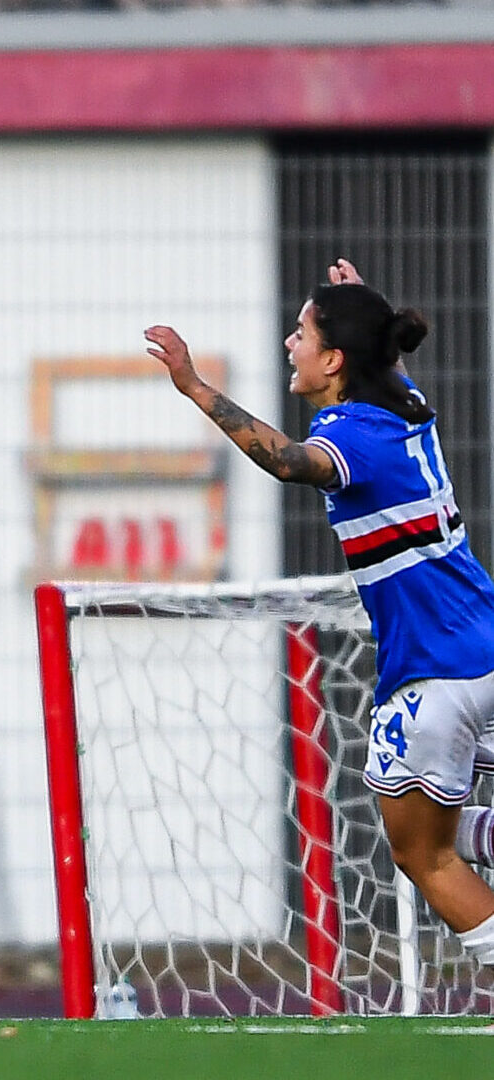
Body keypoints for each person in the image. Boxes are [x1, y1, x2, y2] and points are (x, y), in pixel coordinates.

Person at [147, 258, 494, 978]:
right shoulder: (406, 407)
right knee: (441, 826)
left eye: (301, 331)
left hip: (436, 673)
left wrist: (193, 387)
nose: (287, 342)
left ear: (334, 360)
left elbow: (290, 462)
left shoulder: (353, 434)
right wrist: (367, 310)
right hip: (484, 645)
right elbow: (377, 364)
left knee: (418, 853)